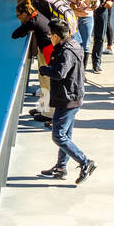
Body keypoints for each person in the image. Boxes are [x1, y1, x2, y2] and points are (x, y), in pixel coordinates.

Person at [38, 18, 98, 185]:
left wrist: (44, 69)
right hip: (72, 95)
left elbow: (60, 73)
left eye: (50, 34)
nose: (49, 36)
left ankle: (85, 162)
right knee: (66, 135)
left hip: (67, 98)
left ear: (56, 35)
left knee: (58, 136)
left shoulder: (66, 51)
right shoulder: (74, 44)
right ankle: (60, 168)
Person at [12, 0, 54, 124]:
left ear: (25, 13)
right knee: (43, 82)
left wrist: (26, 27)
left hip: (48, 51)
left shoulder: (33, 21)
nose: (18, 18)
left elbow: (15, 34)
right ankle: (42, 107)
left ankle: (49, 114)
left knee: (48, 83)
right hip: (46, 50)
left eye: (18, 15)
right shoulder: (36, 16)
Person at [63, 0, 102, 71]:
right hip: (72, 18)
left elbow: (97, 2)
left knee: (85, 45)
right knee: (71, 44)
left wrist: (89, 4)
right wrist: (70, 4)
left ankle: (81, 71)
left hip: (86, 17)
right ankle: (70, 69)